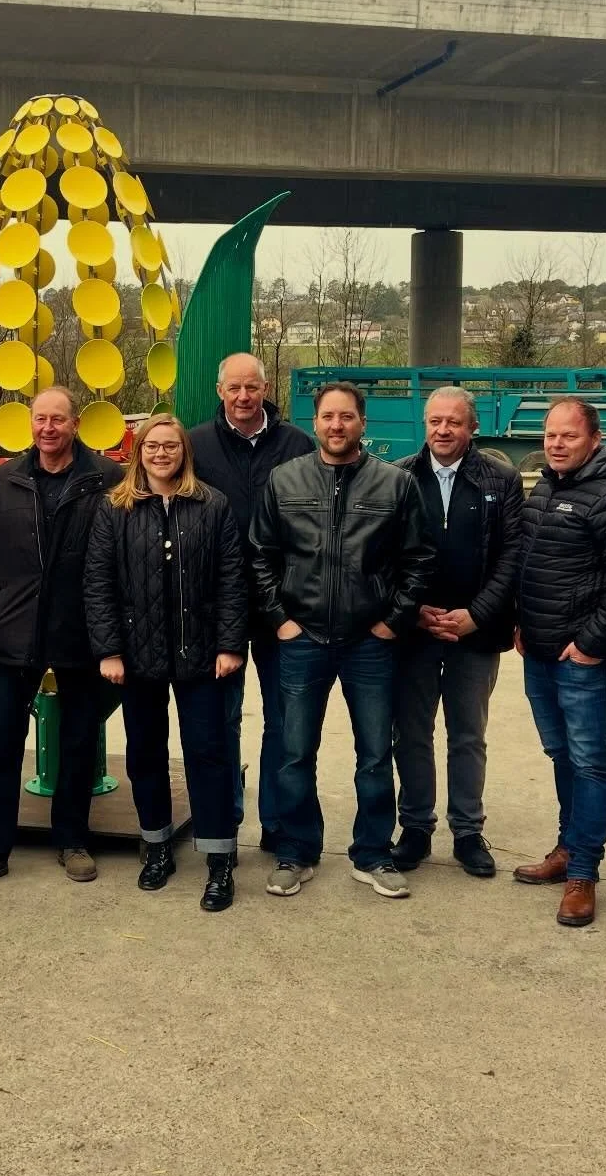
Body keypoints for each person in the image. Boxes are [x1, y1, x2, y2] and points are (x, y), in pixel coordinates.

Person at [249, 381, 433, 900]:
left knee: (375, 752)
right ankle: (296, 851)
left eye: (346, 417)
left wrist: (392, 621)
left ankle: (373, 853)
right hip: (302, 637)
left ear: (361, 423)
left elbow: (417, 560)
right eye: (328, 416)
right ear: (315, 422)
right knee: (293, 752)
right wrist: (280, 618)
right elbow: (260, 554)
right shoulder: (284, 480)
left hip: (369, 641)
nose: (336, 425)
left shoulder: (394, 484)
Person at [0, 387, 121, 893]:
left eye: (58, 420)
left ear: (75, 425)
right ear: (31, 425)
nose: (48, 428)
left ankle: (72, 841)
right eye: (40, 419)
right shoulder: (5, 480)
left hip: (80, 633)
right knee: (1, 741)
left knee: (77, 740)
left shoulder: (106, 480)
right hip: (14, 633)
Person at [86, 414, 247, 912]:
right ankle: (155, 847)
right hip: (137, 660)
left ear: (184, 452)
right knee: (146, 755)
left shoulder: (212, 506)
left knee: (209, 754)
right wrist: (109, 650)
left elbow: (232, 582)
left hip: (202, 657)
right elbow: (99, 584)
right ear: (138, 452)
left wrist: (229, 645)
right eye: (152, 446)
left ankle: (219, 859)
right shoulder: (115, 509)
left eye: (170, 446)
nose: (161, 454)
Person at [513, 398, 606, 928]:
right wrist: (522, 622)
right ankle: (567, 849)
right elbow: (533, 563)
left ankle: (584, 874)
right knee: (562, 757)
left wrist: (594, 642)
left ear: (594, 440)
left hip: (584, 659)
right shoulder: (548, 486)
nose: (555, 444)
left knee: (590, 761)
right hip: (542, 652)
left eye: (567, 436)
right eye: (550, 435)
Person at [391, 387, 525, 878]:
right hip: (416, 632)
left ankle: (468, 831)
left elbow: (513, 556)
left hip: (476, 633)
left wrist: (478, 614)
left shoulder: (502, 480)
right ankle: (416, 828)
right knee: (411, 733)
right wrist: (414, 611)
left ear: (471, 428)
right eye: (434, 421)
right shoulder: (400, 477)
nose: (442, 430)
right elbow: (385, 555)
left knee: (468, 734)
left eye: (453, 422)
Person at [189, 352, 313, 849]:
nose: (243, 397)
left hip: (284, 609)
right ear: (220, 391)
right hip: (216, 609)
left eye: (253, 388)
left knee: (285, 722)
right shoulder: (194, 445)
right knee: (221, 720)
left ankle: (278, 823)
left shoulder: (298, 445)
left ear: (266, 389)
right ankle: (224, 821)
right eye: (234, 388)